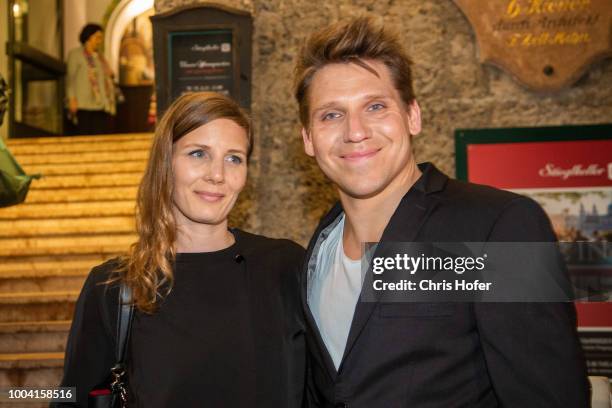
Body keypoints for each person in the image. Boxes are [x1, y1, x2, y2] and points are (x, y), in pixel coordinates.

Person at [293, 17, 589, 407]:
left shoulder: (498, 226)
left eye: (376, 106)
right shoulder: (319, 249)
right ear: (308, 139)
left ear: (412, 116)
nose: (355, 131)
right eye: (331, 115)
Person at [56, 93, 306, 407]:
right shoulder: (114, 286)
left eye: (234, 158)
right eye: (198, 153)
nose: (217, 175)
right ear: (165, 162)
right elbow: (70, 398)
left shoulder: (285, 266)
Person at [66, 24, 116, 135]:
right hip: (83, 104)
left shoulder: (100, 57)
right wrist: (71, 98)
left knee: (100, 136)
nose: (99, 41)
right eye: (97, 37)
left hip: (101, 105)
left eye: (100, 38)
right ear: (88, 37)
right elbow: (71, 79)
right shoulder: (75, 55)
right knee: (84, 135)